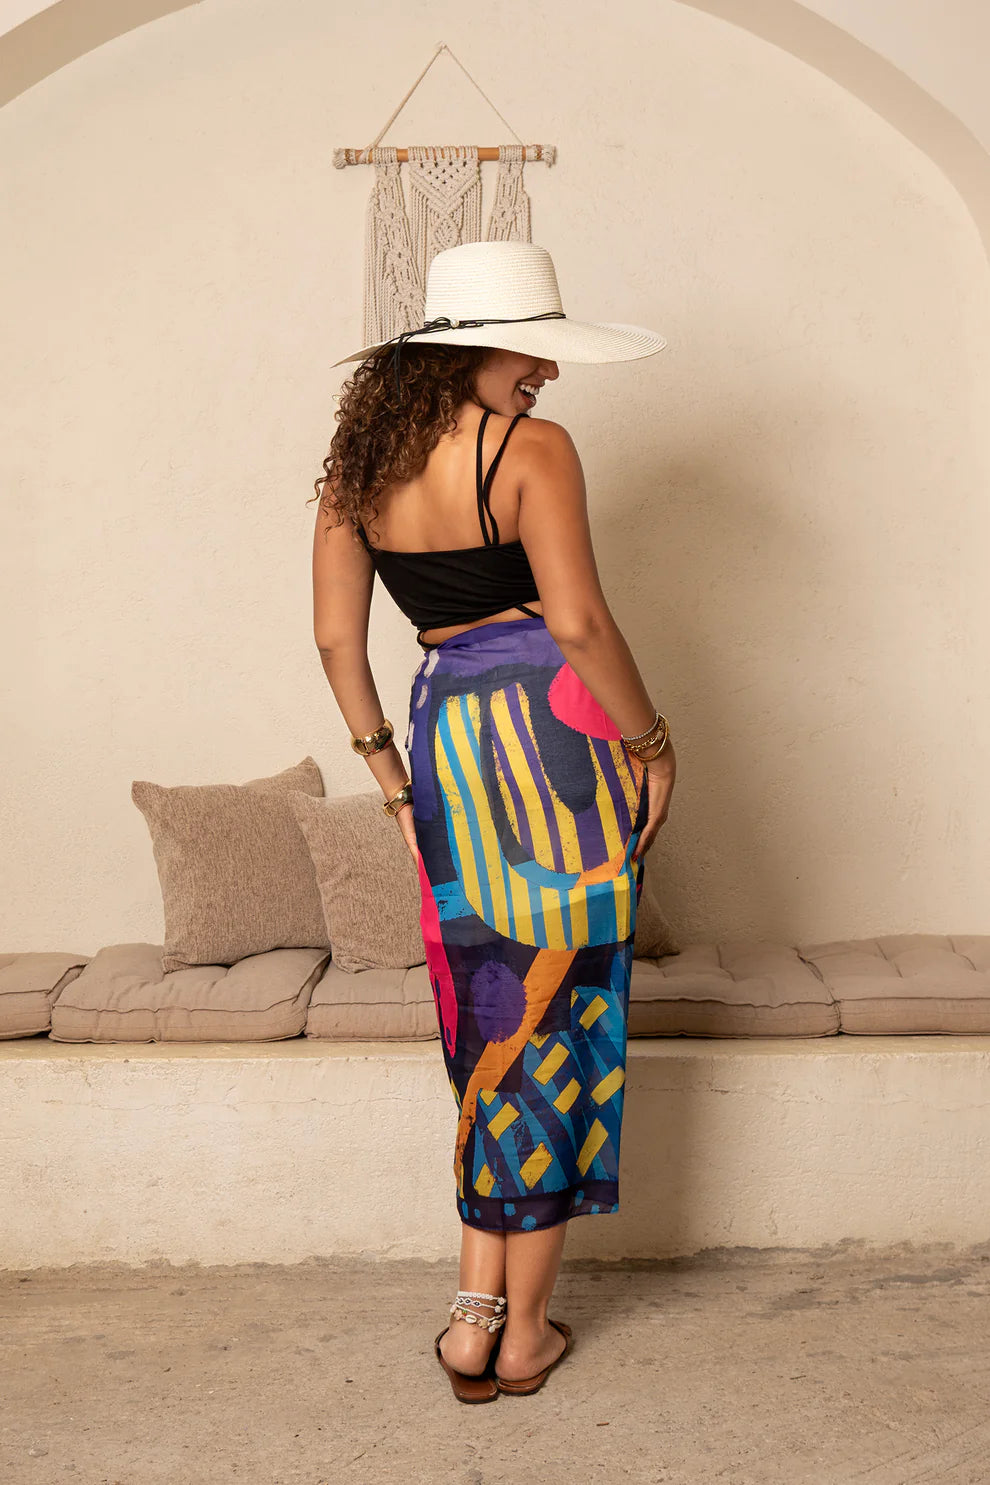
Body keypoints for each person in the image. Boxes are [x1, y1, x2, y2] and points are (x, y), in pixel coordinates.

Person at [310, 240, 676, 1403]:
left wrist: (391, 780)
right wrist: (653, 742)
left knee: (489, 1021)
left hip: (447, 747)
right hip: (557, 737)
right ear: (468, 351)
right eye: (534, 351)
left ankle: (474, 1318)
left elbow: (335, 641)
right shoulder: (534, 450)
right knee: (559, 1016)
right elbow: (576, 623)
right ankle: (525, 1337)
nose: (548, 374)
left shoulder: (358, 466)